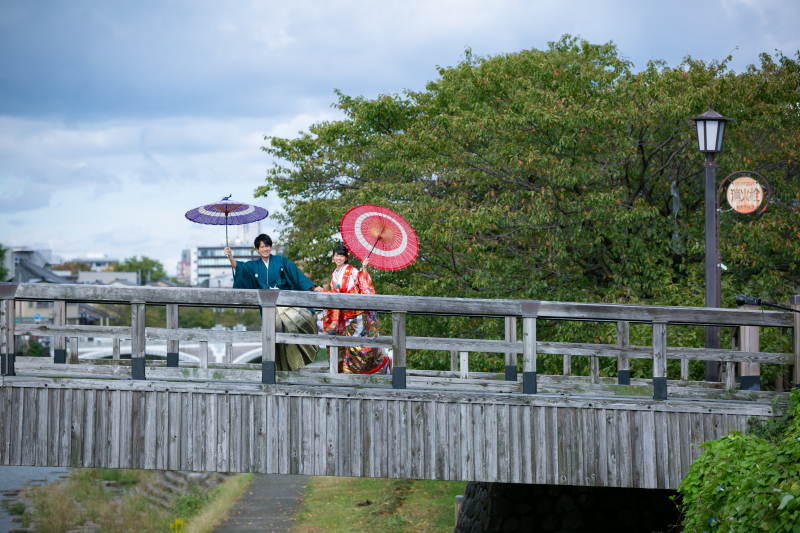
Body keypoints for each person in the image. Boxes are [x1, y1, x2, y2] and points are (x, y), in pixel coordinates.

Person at [224, 234, 325, 371]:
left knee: (298, 321)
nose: (265, 249)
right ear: (257, 249)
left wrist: (312, 288)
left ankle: (313, 326)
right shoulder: (254, 265)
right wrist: (229, 256)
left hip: (284, 302)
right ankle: (282, 367)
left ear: (270, 247)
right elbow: (240, 268)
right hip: (269, 308)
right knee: (275, 338)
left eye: (267, 246)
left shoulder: (281, 261)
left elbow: (295, 275)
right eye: (262, 247)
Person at [322, 244, 390, 374]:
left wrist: (364, 267)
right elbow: (334, 293)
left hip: (356, 313)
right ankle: (348, 370)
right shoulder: (334, 274)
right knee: (346, 343)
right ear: (333, 257)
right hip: (342, 315)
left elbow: (363, 283)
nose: (339, 257)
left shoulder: (351, 270)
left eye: (342, 255)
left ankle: (381, 361)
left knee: (359, 343)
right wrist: (323, 291)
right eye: (337, 255)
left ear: (346, 258)